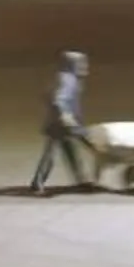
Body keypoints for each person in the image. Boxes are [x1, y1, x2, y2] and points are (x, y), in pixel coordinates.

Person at [30, 50, 91, 194]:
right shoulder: (67, 79)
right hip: (60, 124)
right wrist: (65, 115)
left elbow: (47, 95)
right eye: (81, 63)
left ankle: (80, 179)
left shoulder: (67, 78)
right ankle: (37, 183)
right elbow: (58, 98)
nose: (84, 66)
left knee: (70, 152)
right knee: (50, 154)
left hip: (64, 123)